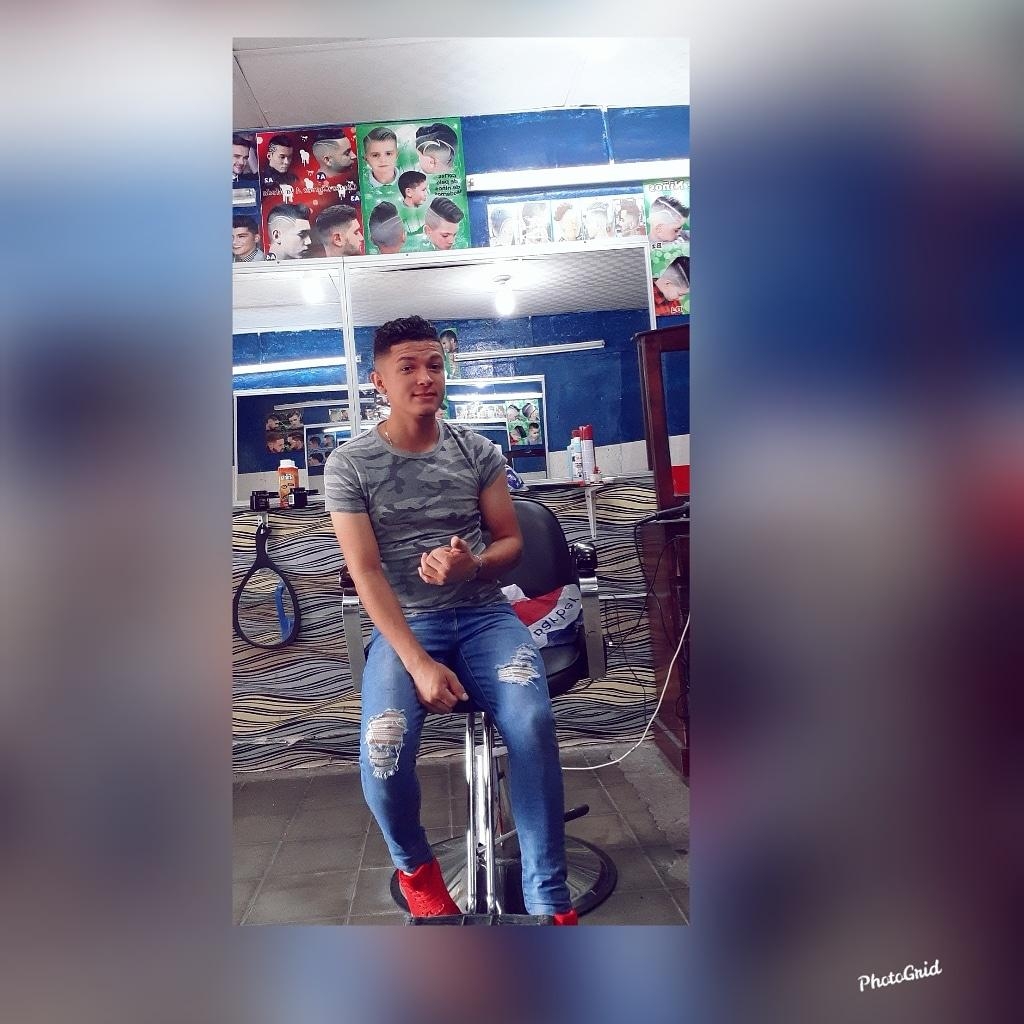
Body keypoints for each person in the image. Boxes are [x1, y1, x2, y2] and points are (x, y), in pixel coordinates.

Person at [324, 315, 576, 924]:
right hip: (408, 626)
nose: (425, 378)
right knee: (383, 749)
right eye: (407, 367)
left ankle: (549, 899)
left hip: (485, 616)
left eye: (434, 365)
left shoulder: (477, 451)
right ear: (378, 380)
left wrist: (474, 565)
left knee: (532, 723)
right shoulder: (350, 465)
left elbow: (511, 542)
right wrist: (418, 664)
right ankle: (416, 871)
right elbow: (367, 573)